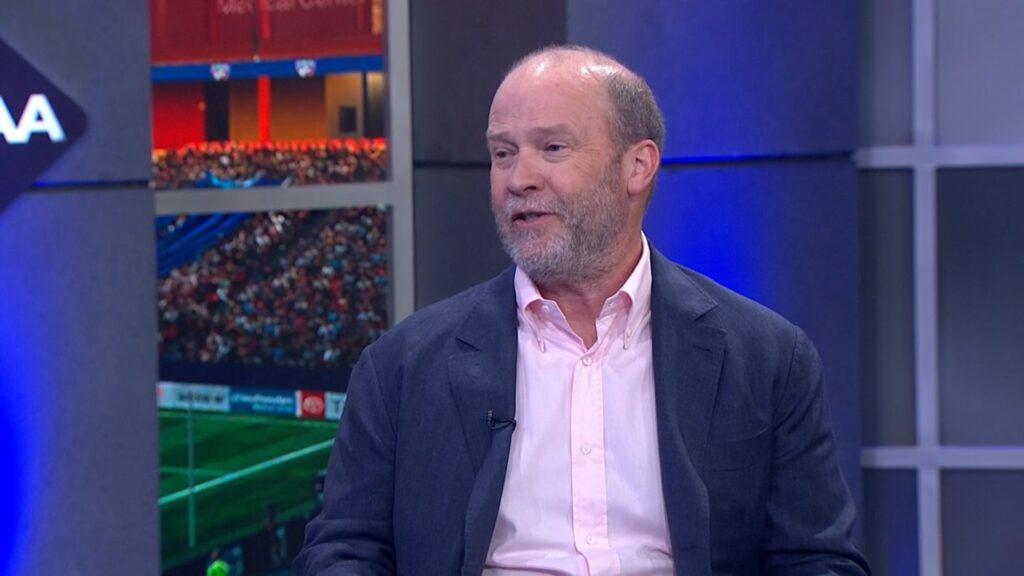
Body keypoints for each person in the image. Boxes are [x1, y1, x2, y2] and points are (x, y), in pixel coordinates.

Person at [295, 45, 870, 576]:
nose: (519, 179)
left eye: (552, 148)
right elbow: (344, 550)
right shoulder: (401, 367)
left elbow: (817, 559)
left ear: (637, 166)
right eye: (502, 153)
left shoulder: (766, 358)